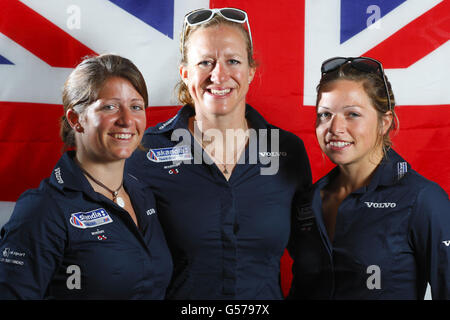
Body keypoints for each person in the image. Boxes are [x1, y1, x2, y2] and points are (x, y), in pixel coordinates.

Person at [126, 8, 312, 299]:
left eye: (233, 61)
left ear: (251, 70)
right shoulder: (143, 152)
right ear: (185, 73)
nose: (219, 74)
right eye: (205, 62)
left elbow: (311, 259)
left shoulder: (286, 150)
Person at [0, 54, 173, 299]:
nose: (126, 120)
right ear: (76, 119)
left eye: (136, 107)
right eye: (110, 107)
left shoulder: (143, 195)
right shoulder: (43, 210)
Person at [288, 56, 450, 299]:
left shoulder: (422, 199)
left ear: (384, 122)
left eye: (352, 114)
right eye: (325, 114)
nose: (335, 128)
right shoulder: (307, 201)